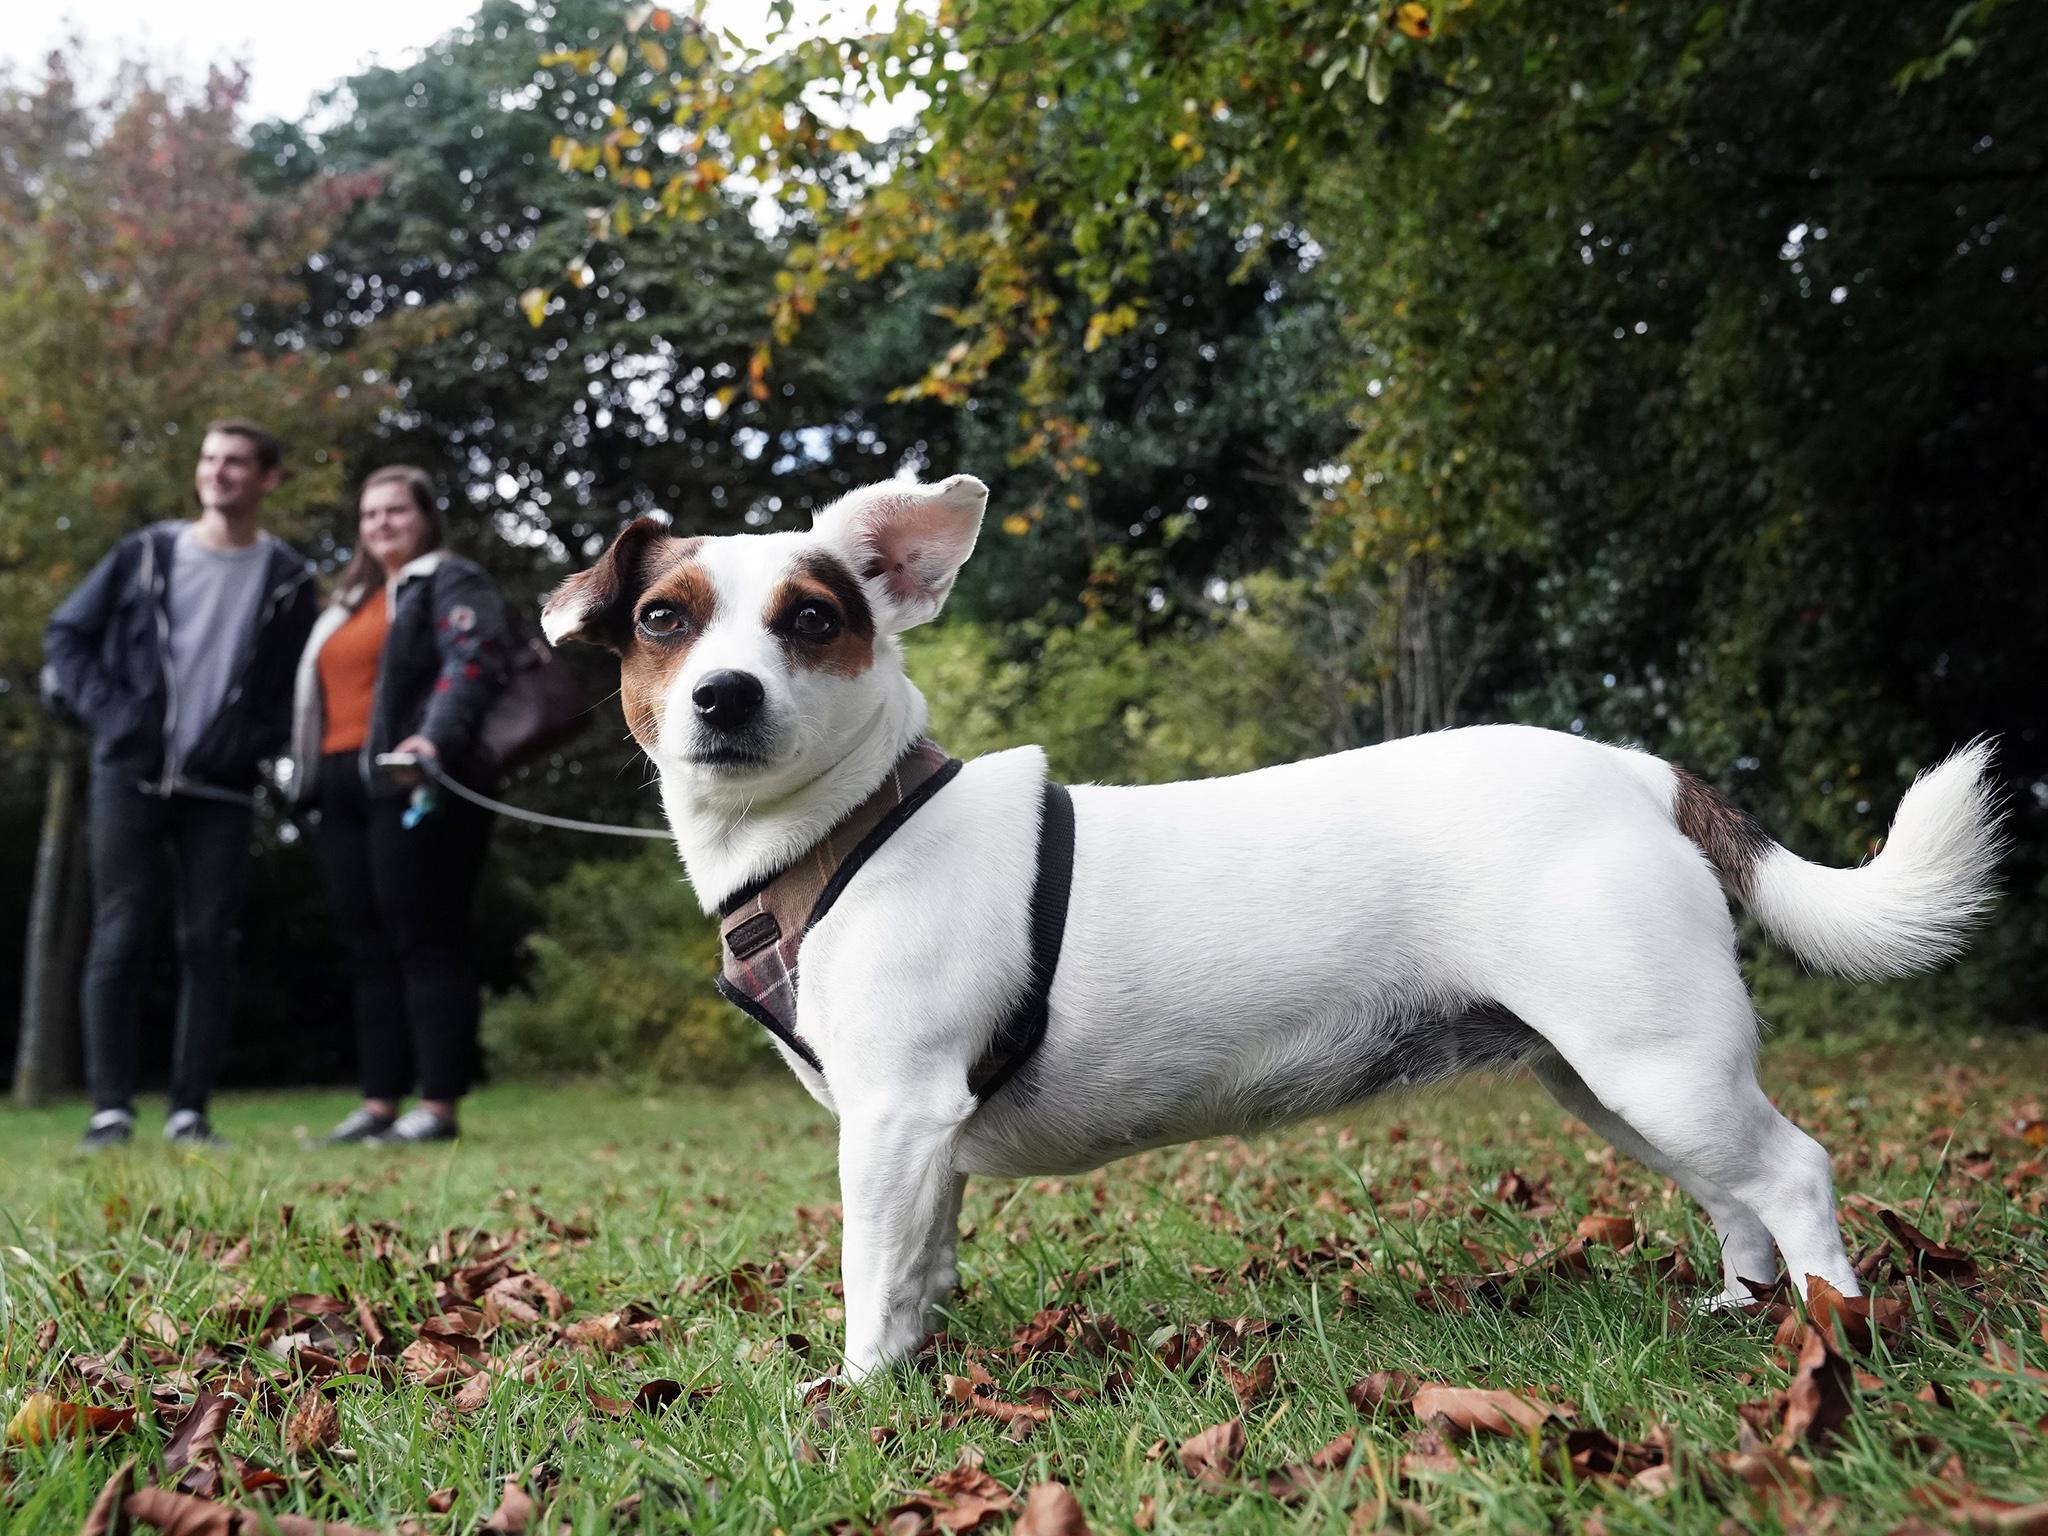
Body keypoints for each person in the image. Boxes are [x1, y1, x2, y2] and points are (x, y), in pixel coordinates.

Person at [42, 420, 320, 1149]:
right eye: (210, 459)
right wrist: (114, 717)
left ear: (267, 479)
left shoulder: (289, 578)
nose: (218, 472)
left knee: (207, 941)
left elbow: (292, 691)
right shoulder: (145, 554)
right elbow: (65, 636)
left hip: (221, 788)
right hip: (129, 775)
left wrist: (250, 746)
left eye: (235, 463)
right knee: (122, 932)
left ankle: (190, 1112)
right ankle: (111, 1111)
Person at [290, 465, 507, 1145]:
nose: (381, 523)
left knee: (426, 939)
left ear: (425, 518)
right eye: (370, 514)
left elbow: (471, 659)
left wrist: (434, 737)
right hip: (339, 785)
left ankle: (437, 1105)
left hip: (413, 779)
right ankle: (379, 1102)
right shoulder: (350, 602)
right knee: (366, 946)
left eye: (396, 511)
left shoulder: (449, 579)